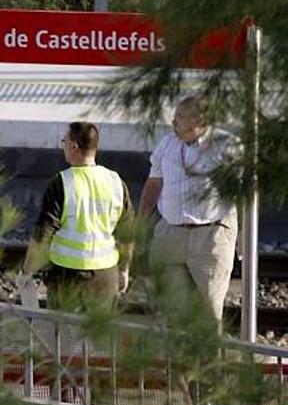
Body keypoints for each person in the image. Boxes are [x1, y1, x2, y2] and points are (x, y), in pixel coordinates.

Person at [137, 95, 239, 325]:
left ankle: (208, 360)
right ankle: (177, 360)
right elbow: (154, 184)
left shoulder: (227, 145)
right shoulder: (167, 144)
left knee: (209, 312)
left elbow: (241, 193)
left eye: (180, 116)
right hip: (171, 234)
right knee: (171, 311)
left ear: (199, 120)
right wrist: (140, 222)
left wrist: (237, 237)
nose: (174, 120)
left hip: (209, 235)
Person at [18, 122, 134, 312]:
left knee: (65, 336)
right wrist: (124, 269)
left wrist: (27, 271)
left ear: (74, 147)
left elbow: (42, 235)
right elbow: (128, 233)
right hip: (106, 276)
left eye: (64, 142)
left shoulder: (62, 183)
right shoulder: (115, 181)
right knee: (99, 338)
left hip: (67, 278)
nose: (63, 146)